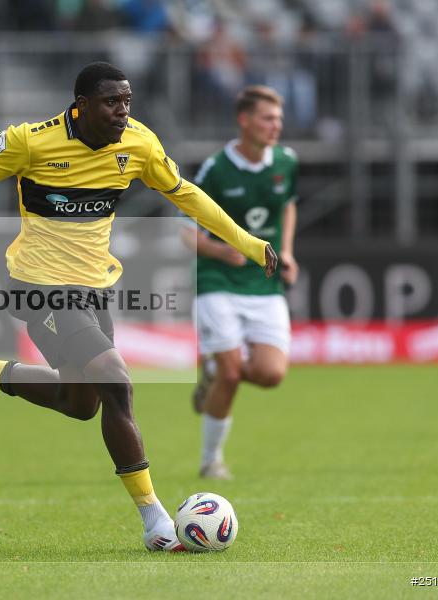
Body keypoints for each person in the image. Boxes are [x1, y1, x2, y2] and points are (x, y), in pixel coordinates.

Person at [0, 62, 277, 551]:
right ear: (82, 105)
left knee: (81, 404)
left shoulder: (139, 144)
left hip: (93, 289)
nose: (123, 110)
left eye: (128, 100)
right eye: (113, 101)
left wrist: (246, 242)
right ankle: (156, 521)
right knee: (117, 381)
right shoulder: (31, 140)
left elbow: (188, 196)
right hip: (39, 285)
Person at [184, 85, 299, 480]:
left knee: (271, 375)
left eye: (279, 119)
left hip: (263, 284)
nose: (276, 126)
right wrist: (220, 252)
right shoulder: (217, 169)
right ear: (245, 120)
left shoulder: (286, 160)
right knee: (233, 373)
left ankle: (212, 375)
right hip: (217, 280)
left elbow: (287, 206)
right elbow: (185, 231)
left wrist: (286, 251)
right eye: (268, 118)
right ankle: (211, 460)